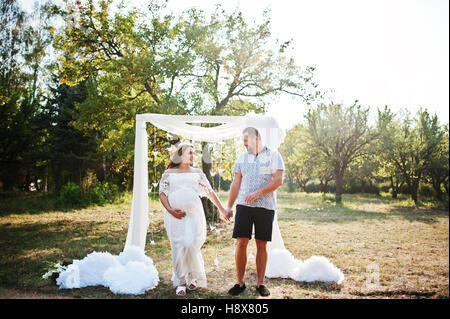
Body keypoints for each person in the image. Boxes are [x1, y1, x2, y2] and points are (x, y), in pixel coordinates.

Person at [158, 142, 231, 296]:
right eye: (189, 153)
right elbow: (162, 194)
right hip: (174, 215)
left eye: (193, 153)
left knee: (190, 244)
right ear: (180, 155)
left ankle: (193, 277)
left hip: (193, 215)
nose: (193, 156)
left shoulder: (197, 173)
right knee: (178, 246)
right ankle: (181, 281)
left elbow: (210, 193)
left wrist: (222, 209)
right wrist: (170, 210)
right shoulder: (169, 173)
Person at [223, 127, 285, 297]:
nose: (243, 144)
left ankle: (260, 284)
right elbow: (235, 184)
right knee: (241, 243)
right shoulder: (241, 158)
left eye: (246, 141)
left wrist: (258, 193)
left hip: (265, 207)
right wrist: (229, 206)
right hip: (243, 206)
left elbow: (278, 180)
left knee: (261, 244)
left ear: (256, 138)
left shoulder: (273, 156)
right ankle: (239, 283)